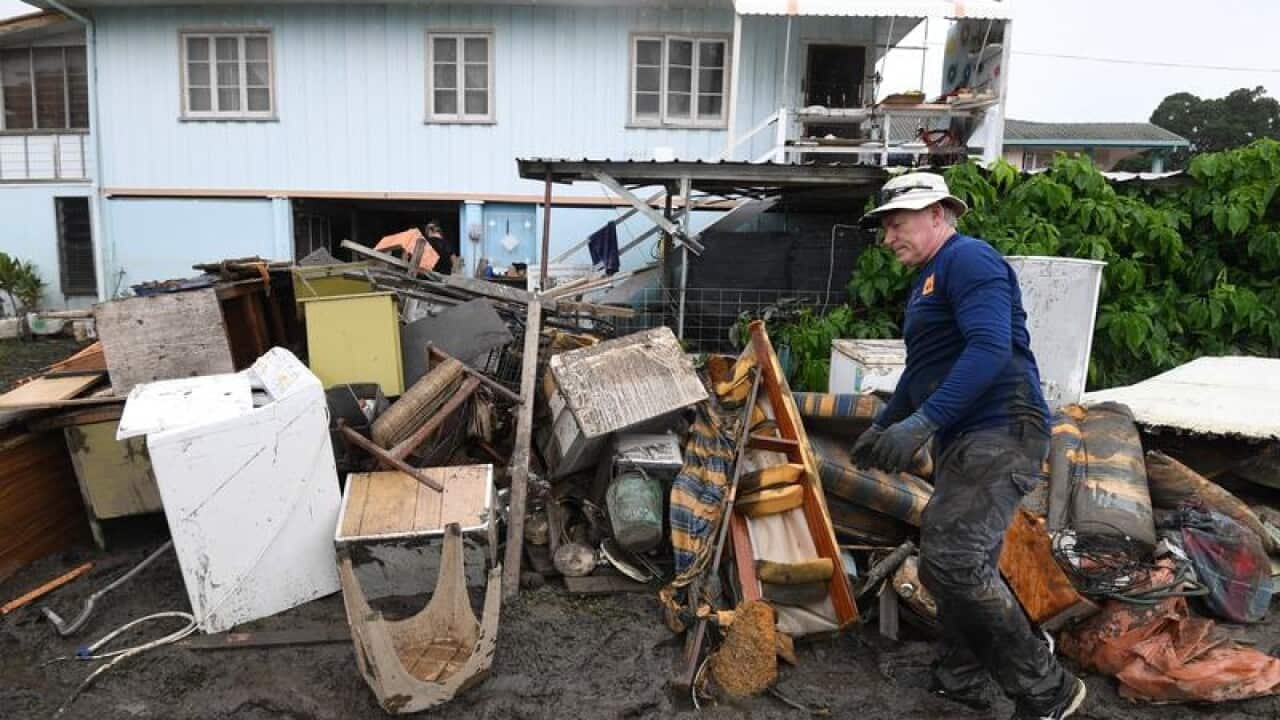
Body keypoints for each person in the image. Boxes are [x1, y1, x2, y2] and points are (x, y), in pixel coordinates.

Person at [851, 172, 1087, 720]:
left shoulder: (969, 259)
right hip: (971, 435)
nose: (888, 237)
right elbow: (921, 371)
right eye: (885, 227)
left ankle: (1047, 688)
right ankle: (961, 675)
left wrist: (925, 422)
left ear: (938, 214)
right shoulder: (928, 280)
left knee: (953, 561)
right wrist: (887, 423)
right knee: (955, 563)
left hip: (1003, 426)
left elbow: (989, 348)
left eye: (898, 223)